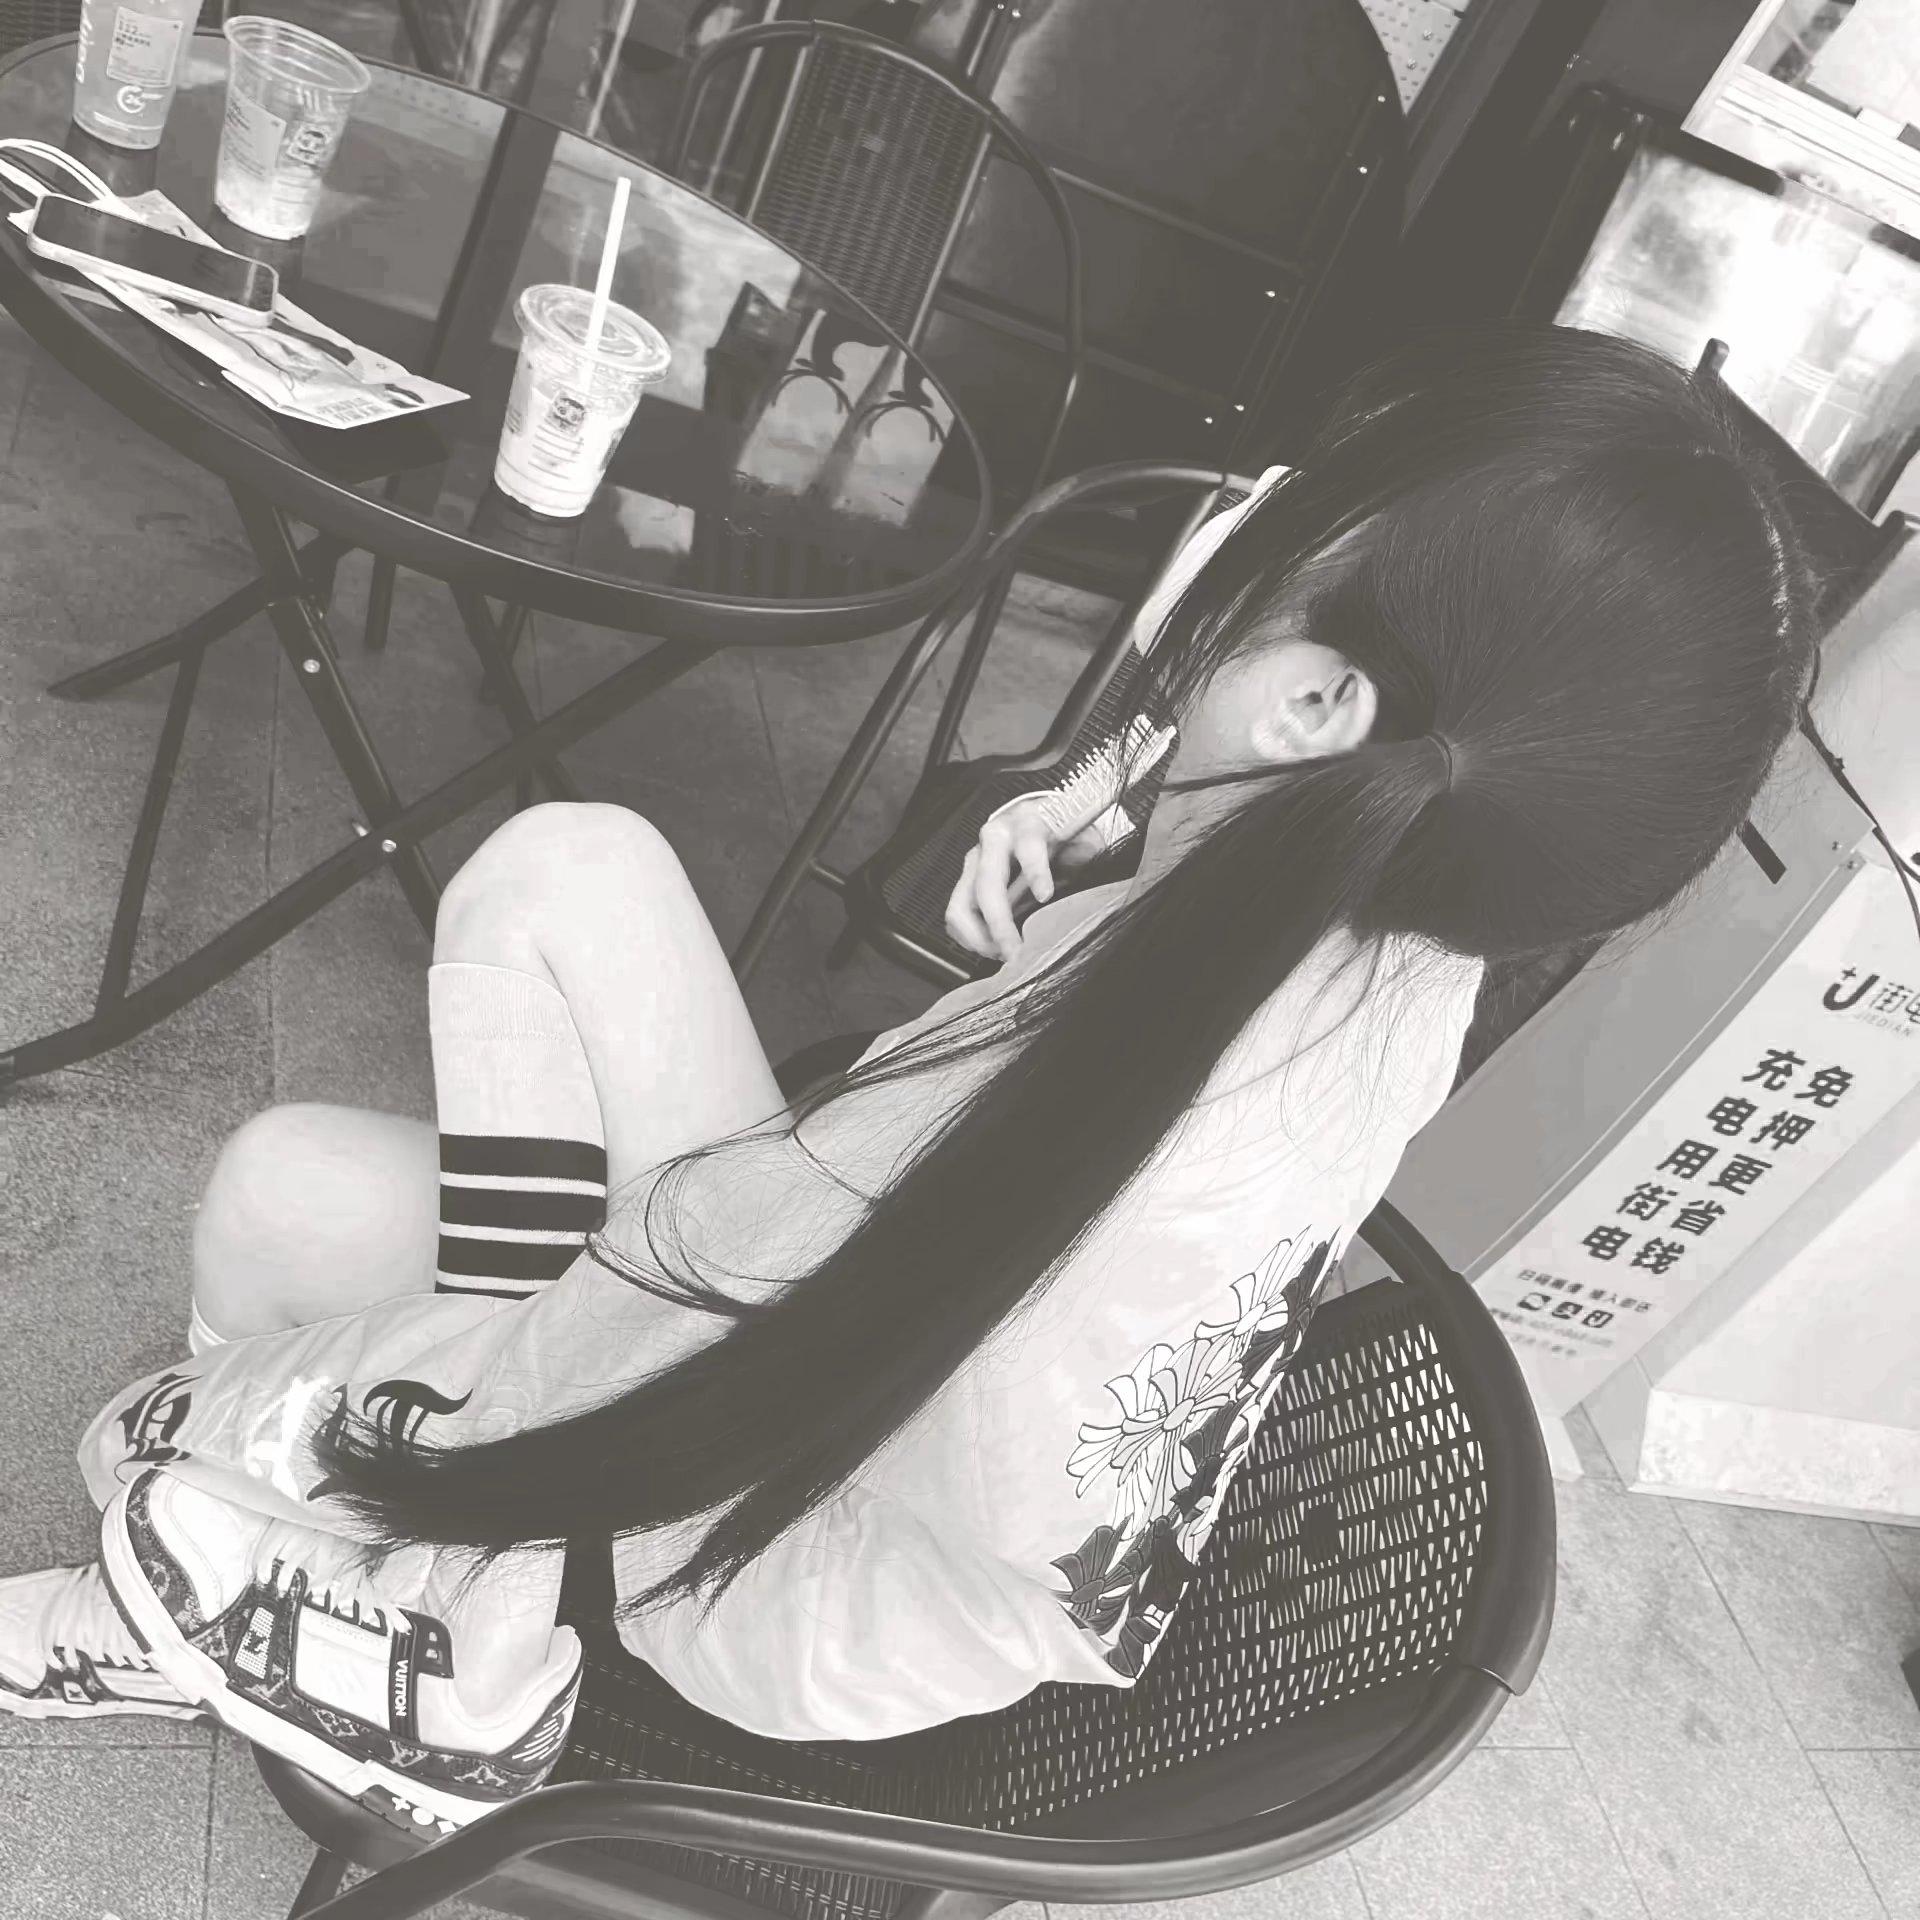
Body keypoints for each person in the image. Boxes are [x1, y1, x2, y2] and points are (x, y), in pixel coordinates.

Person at [0, 327, 1818, 1833]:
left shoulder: (1093, 1136)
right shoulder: (1416, 918)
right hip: (876, 1358)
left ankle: (202, 1610)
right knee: (570, 867)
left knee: (273, 1217)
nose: (1247, 528)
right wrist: (1096, 820)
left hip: (761, 1546)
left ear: (1319, 709)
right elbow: (1237, 773)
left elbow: (715, 1345)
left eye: (1286, 530)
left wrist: (399, 1449)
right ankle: (303, 1498)